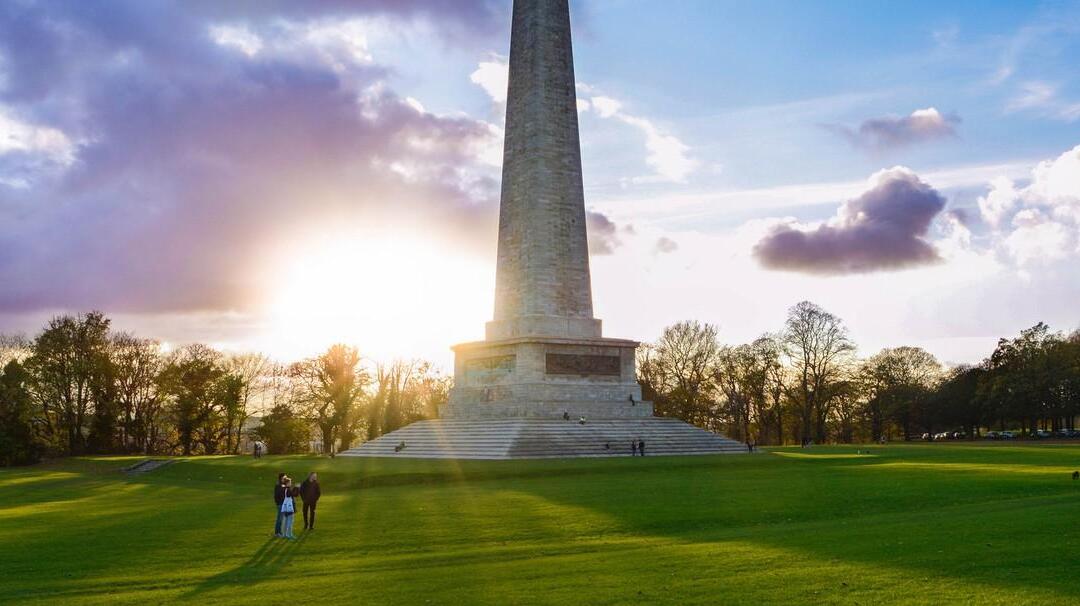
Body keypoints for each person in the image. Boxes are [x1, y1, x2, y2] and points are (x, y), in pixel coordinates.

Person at [273, 473, 287, 537]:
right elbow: (277, 495)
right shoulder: (278, 485)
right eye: (284, 478)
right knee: (279, 518)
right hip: (280, 504)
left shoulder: (283, 485)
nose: (285, 479)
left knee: (281, 518)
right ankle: (277, 532)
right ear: (281, 478)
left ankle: (279, 532)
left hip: (283, 503)